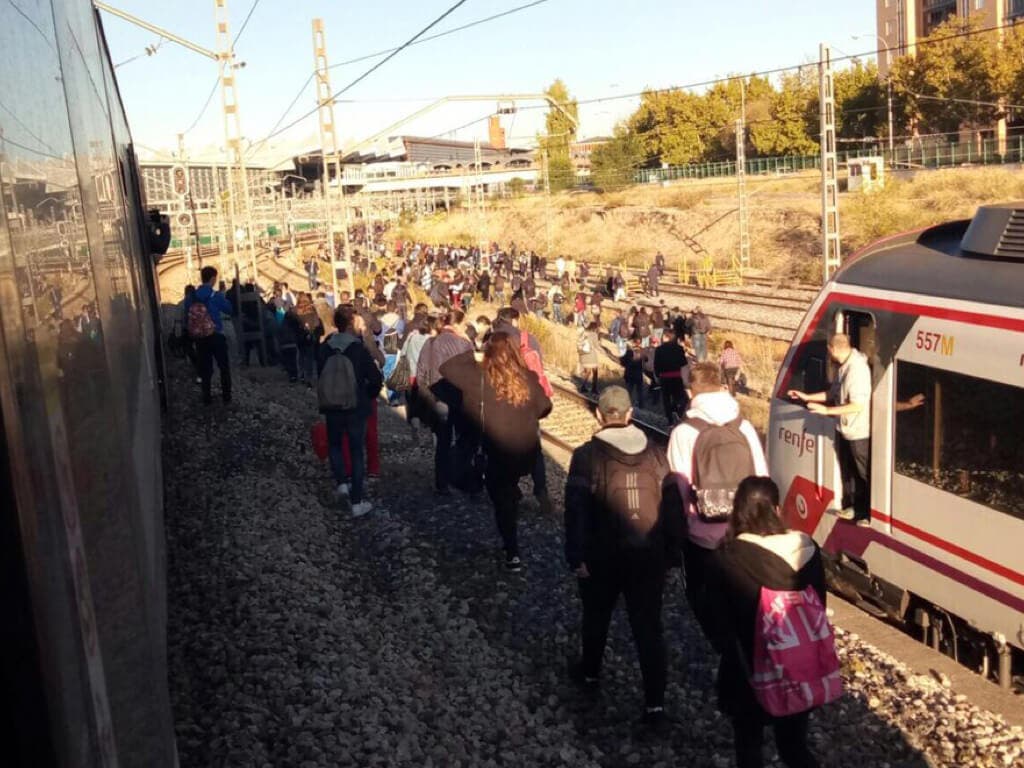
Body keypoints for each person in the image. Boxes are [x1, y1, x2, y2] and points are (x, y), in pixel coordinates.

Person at [564, 385, 682, 729]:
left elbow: (576, 510)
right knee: (648, 627)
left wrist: (576, 555)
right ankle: (655, 705)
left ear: (600, 416)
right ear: (631, 415)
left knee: (596, 616)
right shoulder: (658, 454)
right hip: (649, 556)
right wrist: (672, 553)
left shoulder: (586, 456)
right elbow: (674, 508)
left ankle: (589, 674)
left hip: (602, 555)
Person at [703, 477, 826, 768]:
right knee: (794, 746)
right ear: (778, 508)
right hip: (798, 664)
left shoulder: (727, 556)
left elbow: (715, 617)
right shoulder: (808, 550)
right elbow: (818, 604)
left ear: (737, 510)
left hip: (747, 664)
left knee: (748, 744)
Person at [667, 363, 767, 630]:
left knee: (707, 605)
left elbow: (679, 487)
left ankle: (722, 652)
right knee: (745, 608)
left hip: (702, 537)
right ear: (722, 387)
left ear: (691, 393)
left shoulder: (683, 433)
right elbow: (761, 477)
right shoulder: (743, 427)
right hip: (746, 533)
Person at [440, 333, 551, 571]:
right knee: (506, 488)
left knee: (501, 499)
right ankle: (514, 497)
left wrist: (473, 353)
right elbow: (545, 407)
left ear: (488, 353)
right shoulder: (527, 378)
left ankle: (513, 552)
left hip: (495, 451)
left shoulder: (478, 377)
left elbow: (446, 368)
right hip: (525, 450)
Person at [786, 333, 872, 526]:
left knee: (862, 473)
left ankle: (867, 512)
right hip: (846, 429)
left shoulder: (857, 371)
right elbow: (831, 393)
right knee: (849, 472)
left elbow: (857, 405)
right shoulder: (844, 368)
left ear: (832, 349)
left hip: (859, 431)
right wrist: (806, 397)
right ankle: (854, 507)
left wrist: (827, 411)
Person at [317, 306, 384, 518]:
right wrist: (368, 395)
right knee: (356, 451)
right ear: (350, 324)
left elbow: (319, 373)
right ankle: (357, 502)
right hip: (356, 406)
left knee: (335, 445)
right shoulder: (358, 348)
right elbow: (375, 378)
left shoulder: (326, 346)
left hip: (331, 404)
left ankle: (342, 483)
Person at [415, 310, 475, 495]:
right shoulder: (465, 343)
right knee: (466, 438)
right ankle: (460, 476)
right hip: (460, 396)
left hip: (437, 396)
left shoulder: (430, 342)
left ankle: (442, 483)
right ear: (457, 325)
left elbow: (421, 375)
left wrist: (429, 399)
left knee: (443, 441)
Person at [185, 266, 234, 404]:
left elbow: (186, 314)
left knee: (205, 368)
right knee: (223, 366)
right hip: (216, 334)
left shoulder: (191, 296)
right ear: (213, 279)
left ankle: (206, 397)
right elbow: (229, 309)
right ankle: (227, 397)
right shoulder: (215, 295)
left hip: (200, 337)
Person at [654, 329, 690, 423]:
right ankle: (678, 413)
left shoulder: (659, 349)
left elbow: (656, 365)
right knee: (677, 397)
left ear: (666, 337)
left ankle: (669, 419)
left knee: (666, 399)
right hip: (677, 376)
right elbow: (684, 363)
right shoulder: (679, 348)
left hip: (665, 377)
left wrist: (657, 376)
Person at [620, 337, 646, 408]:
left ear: (633, 343)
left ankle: (626, 404)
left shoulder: (628, 351)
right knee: (639, 391)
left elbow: (622, 362)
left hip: (629, 374)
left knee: (629, 390)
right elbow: (646, 360)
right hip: (638, 375)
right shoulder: (642, 351)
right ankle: (641, 405)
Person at [577, 321, 601, 394]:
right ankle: (594, 389)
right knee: (595, 371)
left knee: (587, 371)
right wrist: (604, 352)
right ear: (595, 328)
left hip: (582, 354)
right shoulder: (594, 334)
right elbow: (596, 346)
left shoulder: (583, 333)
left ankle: (583, 387)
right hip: (591, 355)